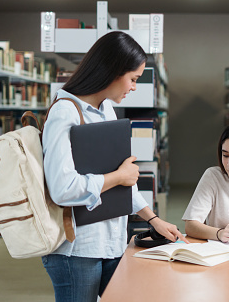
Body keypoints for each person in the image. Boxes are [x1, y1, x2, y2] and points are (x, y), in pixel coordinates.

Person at [42, 31, 187, 302]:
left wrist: (153, 219)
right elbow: (63, 189)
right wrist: (118, 176)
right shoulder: (65, 113)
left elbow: (123, 182)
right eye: (133, 79)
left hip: (111, 242)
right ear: (112, 71)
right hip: (76, 250)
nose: (134, 87)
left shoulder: (106, 110)